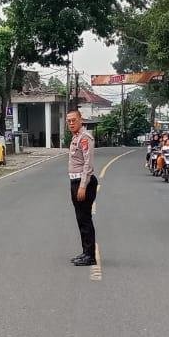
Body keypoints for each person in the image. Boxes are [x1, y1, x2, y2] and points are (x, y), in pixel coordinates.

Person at [67, 110, 98, 266]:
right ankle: (86, 252)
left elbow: (88, 164)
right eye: (69, 121)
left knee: (85, 219)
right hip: (75, 181)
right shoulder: (76, 138)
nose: (71, 123)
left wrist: (83, 186)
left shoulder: (85, 138)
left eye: (74, 120)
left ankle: (90, 256)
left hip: (82, 182)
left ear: (81, 120)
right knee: (81, 219)